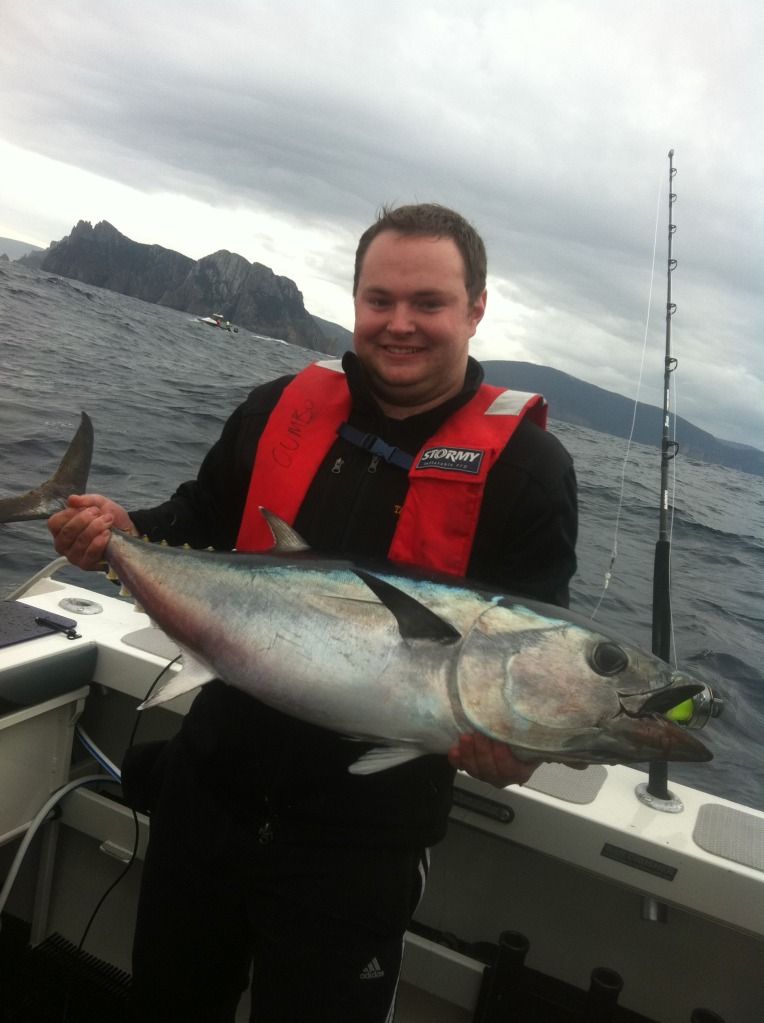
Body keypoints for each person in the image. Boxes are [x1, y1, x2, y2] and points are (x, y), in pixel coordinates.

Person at [49, 203, 577, 1022]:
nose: (399, 323)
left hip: (358, 851)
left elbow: (534, 649)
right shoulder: (280, 405)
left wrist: (520, 749)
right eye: (379, 299)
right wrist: (123, 531)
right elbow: (200, 514)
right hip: (208, 797)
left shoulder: (530, 472)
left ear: (476, 307)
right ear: (356, 301)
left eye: (428, 303)